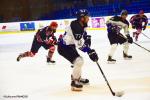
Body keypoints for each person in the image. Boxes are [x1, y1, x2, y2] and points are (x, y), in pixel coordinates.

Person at [57, 9, 99, 91]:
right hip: (64, 47)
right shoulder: (76, 27)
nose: (88, 18)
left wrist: (86, 39)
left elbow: (81, 37)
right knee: (79, 61)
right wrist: (89, 51)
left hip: (70, 46)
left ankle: (78, 78)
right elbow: (79, 45)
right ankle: (74, 82)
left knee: (79, 61)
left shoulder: (80, 24)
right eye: (87, 17)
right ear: (82, 18)